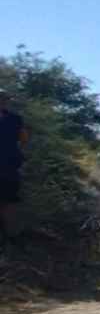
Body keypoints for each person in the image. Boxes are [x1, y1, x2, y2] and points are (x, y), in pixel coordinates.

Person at [0, 88, 26, 245]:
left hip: (9, 165)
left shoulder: (16, 119)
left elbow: (23, 138)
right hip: (9, 163)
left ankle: (7, 235)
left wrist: (15, 152)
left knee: (8, 200)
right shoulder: (15, 118)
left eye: (3, 98)